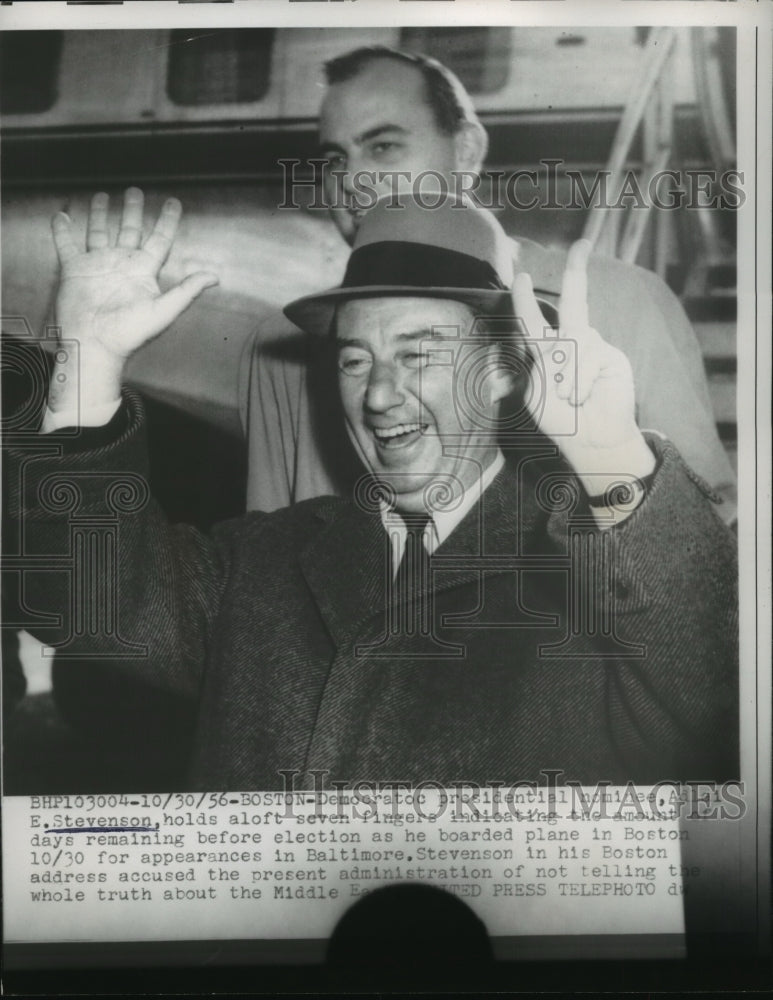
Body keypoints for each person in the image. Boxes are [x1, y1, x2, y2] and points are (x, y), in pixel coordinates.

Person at [8, 187, 738, 790]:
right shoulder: (267, 559)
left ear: (505, 372)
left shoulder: (590, 567)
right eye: (355, 362)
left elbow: (707, 679)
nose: (379, 396)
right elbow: (76, 597)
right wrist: (88, 367)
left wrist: (611, 459)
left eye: (418, 355)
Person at [242, 45, 736, 522]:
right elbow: (263, 566)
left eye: (383, 147)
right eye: (334, 159)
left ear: (466, 150)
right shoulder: (281, 352)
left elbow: (708, 534)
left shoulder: (623, 303)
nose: (352, 181)